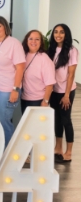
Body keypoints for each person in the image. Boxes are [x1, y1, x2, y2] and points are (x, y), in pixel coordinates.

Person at [0, 16, 25, 147]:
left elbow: (20, 67)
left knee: (4, 121)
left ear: (5, 28)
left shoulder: (14, 43)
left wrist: (15, 89)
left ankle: (8, 153)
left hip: (7, 89)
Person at [48, 24, 78, 163]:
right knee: (57, 120)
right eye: (56, 32)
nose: (58, 35)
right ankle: (58, 147)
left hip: (66, 91)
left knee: (66, 120)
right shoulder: (51, 50)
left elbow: (71, 75)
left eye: (61, 32)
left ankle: (69, 151)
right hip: (54, 90)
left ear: (66, 35)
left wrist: (66, 95)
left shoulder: (72, 51)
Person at [21, 30, 56, 114]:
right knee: (27, 125)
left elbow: (50, 84)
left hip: (38, 100)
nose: (33, 41)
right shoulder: (23, 55)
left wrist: (45, 101)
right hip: (24, 98)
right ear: (26, 41)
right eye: (31, 39)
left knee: (37, 126)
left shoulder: (44, 58)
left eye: (37, 39)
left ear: (41, 42)